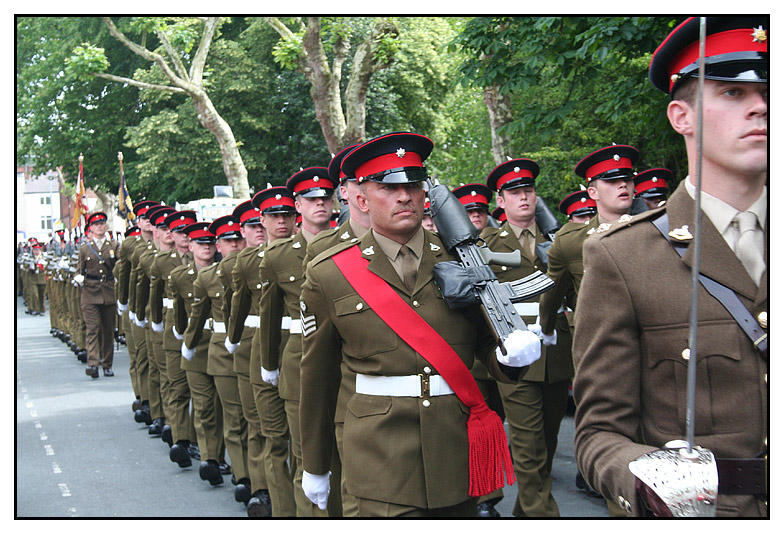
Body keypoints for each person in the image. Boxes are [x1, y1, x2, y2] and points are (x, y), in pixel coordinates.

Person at [572, 16, 767, 517]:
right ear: (682, 117)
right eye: (731, 93)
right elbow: (599, 434)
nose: (762, 106)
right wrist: (647, 479)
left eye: (770, 90)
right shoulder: (624, 256)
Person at [299, 132, 540, 517]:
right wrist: (315, 464)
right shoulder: (330, 273)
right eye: (388, 187)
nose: (404, 196)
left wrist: (512, 359)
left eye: (412, 185)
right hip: (379, 458)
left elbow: (484, 347)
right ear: (360, 199)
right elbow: (318, 378)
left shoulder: (464, 260)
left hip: (454, 452)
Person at [479, 158, 563, 517]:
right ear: (501, 201)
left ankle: (526, 510)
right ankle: (542, 515)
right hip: (513, 347)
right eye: (514, 193)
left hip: (557, 350)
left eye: (528, 190)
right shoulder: (484, 242)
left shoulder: (560, 239)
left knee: (547, 438)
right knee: (527, 444)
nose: (523, 198)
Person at [258, 167, 337, 517]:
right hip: (298, 364)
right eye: (311, 199)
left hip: (345, 364)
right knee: (307, 458)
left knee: (344, 456)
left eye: (325, 198)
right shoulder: (278, 256)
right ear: (298, 206)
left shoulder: (352, 245)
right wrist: (269, 365)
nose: (320, 204)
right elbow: (269, 317)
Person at [301, 145, 367, 517]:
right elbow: (319, 356)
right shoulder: (326, 253)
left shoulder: (436, 251)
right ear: (348, 191)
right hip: (351, 396)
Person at [226, 193, 295, 517]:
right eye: (270, 218)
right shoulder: (247, 261)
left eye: (287, 215)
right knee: (264, 429)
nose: (280, 223)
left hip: (298, 349)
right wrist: (232, 339)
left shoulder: (308, 254)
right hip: (258, 350)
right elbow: (237, 308)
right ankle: (264, 491)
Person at [452, 181, 504, 517]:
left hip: (503, 347)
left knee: (495, 423)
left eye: (479, 212)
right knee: (478, 425)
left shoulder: (495, 245)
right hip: (465, 360)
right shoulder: (447, 249)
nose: (475, 218)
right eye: (467, 212)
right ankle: (486, 499)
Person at [170, 221, 224, 487]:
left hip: (221, 344)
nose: (207, 248)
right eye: (201, 244)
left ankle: (223, 455)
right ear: (190, 247)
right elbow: (180, 315)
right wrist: (184, 339)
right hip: (195, 347)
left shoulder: (225, 272)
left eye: (211, 244)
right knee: (203, 406)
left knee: (223, 406)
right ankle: (209, 458)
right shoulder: (180, 277)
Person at [150, 211, 196, 449]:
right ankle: (181, 439)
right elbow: (154, 295)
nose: (185, 236)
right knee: (177, 386)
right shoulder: (162, 261)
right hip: (172, 328)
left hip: (201, 331)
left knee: (201, 392)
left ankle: (200, 442)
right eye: (180, 232)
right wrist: (157, 323)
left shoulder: (209, 257)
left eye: (189, 231)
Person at [134, 205, 176, 436]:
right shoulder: (149, 257)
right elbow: (140, 288)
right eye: (163, 228)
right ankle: (160, 414)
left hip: (179, 318)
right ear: (157, 232)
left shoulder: (188, 256)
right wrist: (138, 313)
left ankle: (174, 422)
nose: (169, 232)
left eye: (172, 228)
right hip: (157, 316)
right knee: (158, 368)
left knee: (174, 375)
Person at [75, 211, 120, 378]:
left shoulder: (113, 246)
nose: (100, 227)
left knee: (108, 331)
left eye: (102, 223)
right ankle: (93, 364)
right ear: (91, 228)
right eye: (96, 224)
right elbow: (78, 270)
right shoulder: (85, 249)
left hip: (108, 291)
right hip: (90, 293)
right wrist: (78, 278)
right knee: (92, 329)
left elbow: (119, 266)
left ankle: (107, 364)